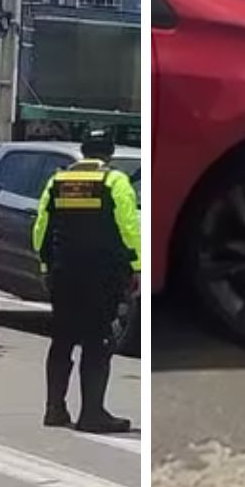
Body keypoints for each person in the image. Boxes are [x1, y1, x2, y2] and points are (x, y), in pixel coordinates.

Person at [32, 130, 139, 434]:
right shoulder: (114, 181)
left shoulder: (58, 181)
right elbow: (128, 227)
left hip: (63, 273)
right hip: (101, 273)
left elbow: (41, 228)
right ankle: (92, 413)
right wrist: (138, 266)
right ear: (109, 151)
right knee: (97, 340)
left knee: (62, 339)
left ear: (83, 151)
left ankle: (54, 409)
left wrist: (45, 265)